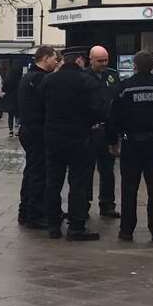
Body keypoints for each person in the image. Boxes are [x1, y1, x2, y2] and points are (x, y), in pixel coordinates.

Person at [107, 51, 153, 241]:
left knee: (129, 189)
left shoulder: (124, 87)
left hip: (131, 143)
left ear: (134, 65)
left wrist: (112, 141)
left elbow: (113, 117)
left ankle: (126, 230)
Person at [40, 46, 104, 240]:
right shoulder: (86, 81)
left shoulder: (49, 80)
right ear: (78, 60)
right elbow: (98, 110)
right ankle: (76, 226)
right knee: (78, 182)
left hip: (53, 137)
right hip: (78, 137)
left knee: (53, 181)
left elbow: (41, 103)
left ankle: (53, 225)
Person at [17, 45, 59, 229]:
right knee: (39, 173)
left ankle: (25, 210)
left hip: (27, 130)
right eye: (54, 59)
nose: (56, 62)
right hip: (37, 132)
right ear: (45, 58)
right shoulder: (42, 79)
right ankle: (35, 214)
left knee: (31, 171)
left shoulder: (27, 78)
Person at [87, 46, 121, 219]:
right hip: (90, 130)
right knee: (86, 169)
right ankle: (84, 204)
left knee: (107, 169)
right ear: (90, 59)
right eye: (99, 61)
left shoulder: (112, 75)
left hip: (108, 129)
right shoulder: (84, 77)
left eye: (105, 60)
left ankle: (107, 204)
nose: (103, 64)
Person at [1, 59, 23, 137]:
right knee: (18, 115)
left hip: (10, 99)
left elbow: (3, 88)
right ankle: (17, 130)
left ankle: (11, 130)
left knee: (10, 116)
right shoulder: (21, 80)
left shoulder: (8, 79)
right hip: (18, 98)